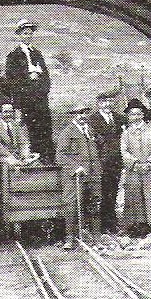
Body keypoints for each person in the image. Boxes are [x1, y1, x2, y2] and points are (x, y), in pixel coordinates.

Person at [5, 19, 54, 163]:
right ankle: (32, 163)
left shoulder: (37, 54)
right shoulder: (13, 56)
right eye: (25, 33)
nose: (28, 36)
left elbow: (46, 78)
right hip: (25, 102)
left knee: (44, 130)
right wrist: (29, 78)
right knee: (29, 132)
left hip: (41, 101)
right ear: (19, 35)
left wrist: (41, 88)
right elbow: (12, 82)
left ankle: (47, 162)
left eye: (30, 33)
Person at [55, 102, 102, 250]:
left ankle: (96, 238)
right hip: (75, 176)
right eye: (79, 113)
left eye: (85, 113)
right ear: (73, 116)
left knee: (95, 204)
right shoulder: (67, 132)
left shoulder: (90, 131)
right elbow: (60, 155)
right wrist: (76, 167)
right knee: (72, 205)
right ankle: (69, 238)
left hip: (93, 174)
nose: (82, 116)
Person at [120, 98, 151, 237]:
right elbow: (124, 151)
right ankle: (139, 227)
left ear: (143, 115)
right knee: (135, 197)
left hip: (150, 169)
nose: (136, 117)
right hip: (134, 170)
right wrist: (134, 164)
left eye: (139, 113)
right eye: (133, 114)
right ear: (129, 116)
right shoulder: (126, 133)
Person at [0, 102, 38, 218]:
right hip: (0, 159)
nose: (9, 114)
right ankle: (0, 213)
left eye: (11, 111)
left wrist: (25, 154)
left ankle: (22, 207)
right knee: (1, 187)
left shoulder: (14, 125)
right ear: (0, 113)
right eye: (6, 112)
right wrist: (11, 158)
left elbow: (23, 141)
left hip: (15, 159)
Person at [87, 86, 125, 234]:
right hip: (100, 163)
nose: (107, 104)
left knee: (113, 191)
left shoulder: (119, 117)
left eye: (110, 101)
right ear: (98, 103)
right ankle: (100, 224)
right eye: (104, 101)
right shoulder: (92, 119)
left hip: (116, 162)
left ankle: (111, 221)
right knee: (100, 192)